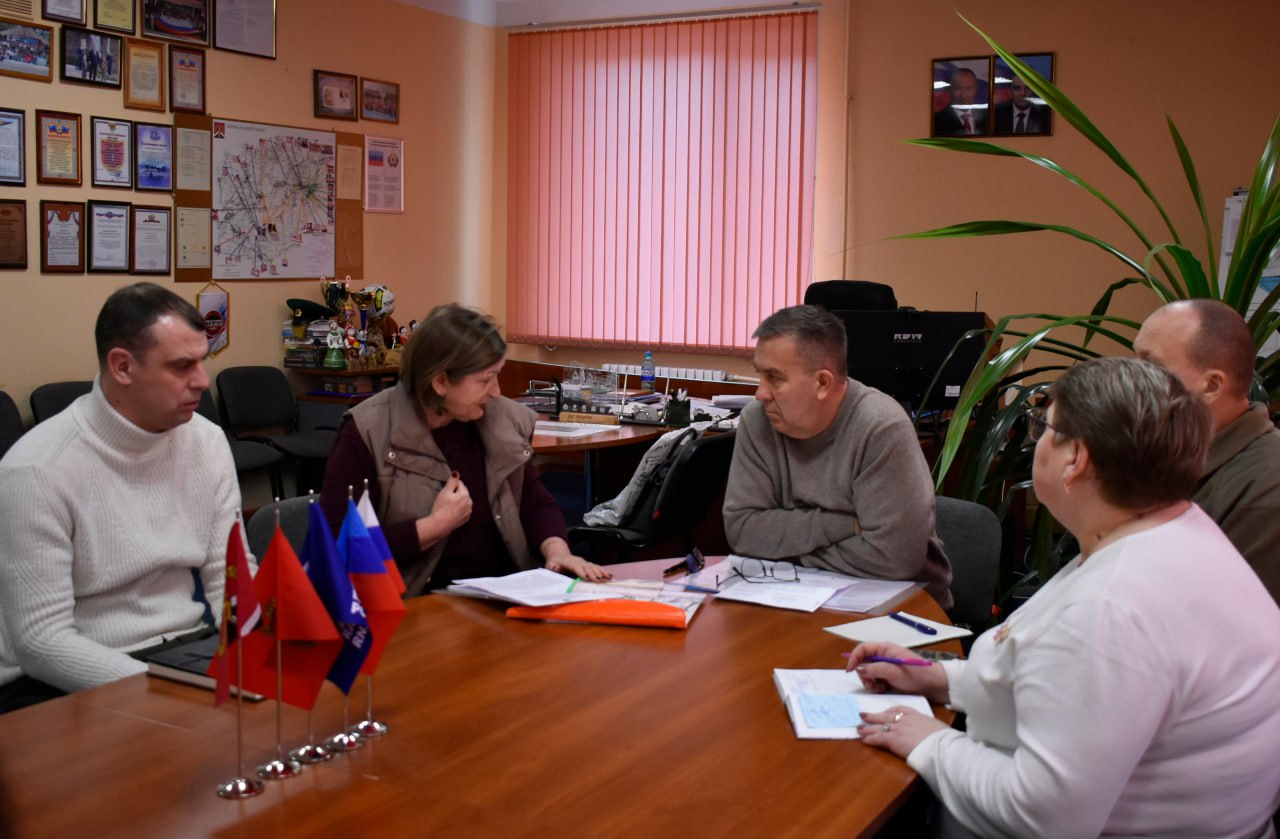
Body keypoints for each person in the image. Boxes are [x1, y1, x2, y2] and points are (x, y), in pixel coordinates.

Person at [848, 357, 1280, 838]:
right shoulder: (1173, 531)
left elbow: (1044, 818)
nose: (1037, 440)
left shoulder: (1109, 608)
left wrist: (928, 741)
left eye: (1043, 427)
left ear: (1076, 459)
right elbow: (1064, 689)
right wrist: (940, 679)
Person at [0, 282, 238, 713]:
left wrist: (265, 649)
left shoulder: (206, 441)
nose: (202, 381)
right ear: (123, 367)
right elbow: (42, 643)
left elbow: (230, 573)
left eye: (201, 361)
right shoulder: (36, 469)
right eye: (182, 366)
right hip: (58, 678)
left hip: (182, 651)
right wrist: (168, 694)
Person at [319, 303, 610, 596]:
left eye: (497, 374)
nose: (496, 391)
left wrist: (557, 550)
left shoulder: (499, 418)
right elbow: (339, 547)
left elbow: (534, 503)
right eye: (484, 380)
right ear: (440, 381)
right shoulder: (368, 431)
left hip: (503, 596)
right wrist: (433, 527)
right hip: (416, 605)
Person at [722, 305, 953, 608]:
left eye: (774, 378)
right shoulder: (757, 421)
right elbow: (742, 531)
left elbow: (895, 560)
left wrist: (788, 553)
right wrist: (848, 526)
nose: (760, 393)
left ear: (822, 383)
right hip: (790, 597)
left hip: (901, 607)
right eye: (759, 375)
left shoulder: (881, 427)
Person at [1134, 298, 1280, 604]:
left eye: (1150, 367)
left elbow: (1234, 623)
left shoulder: (1267, 490)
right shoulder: (1165, 457)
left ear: (1212, 386)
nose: (1131, 381)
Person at [932, 67, 987, 137]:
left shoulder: (988, 117)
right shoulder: (937, 120)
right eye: (957, 89)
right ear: (950, 90)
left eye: (968, 88)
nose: (963, 95)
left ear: (975, 89)